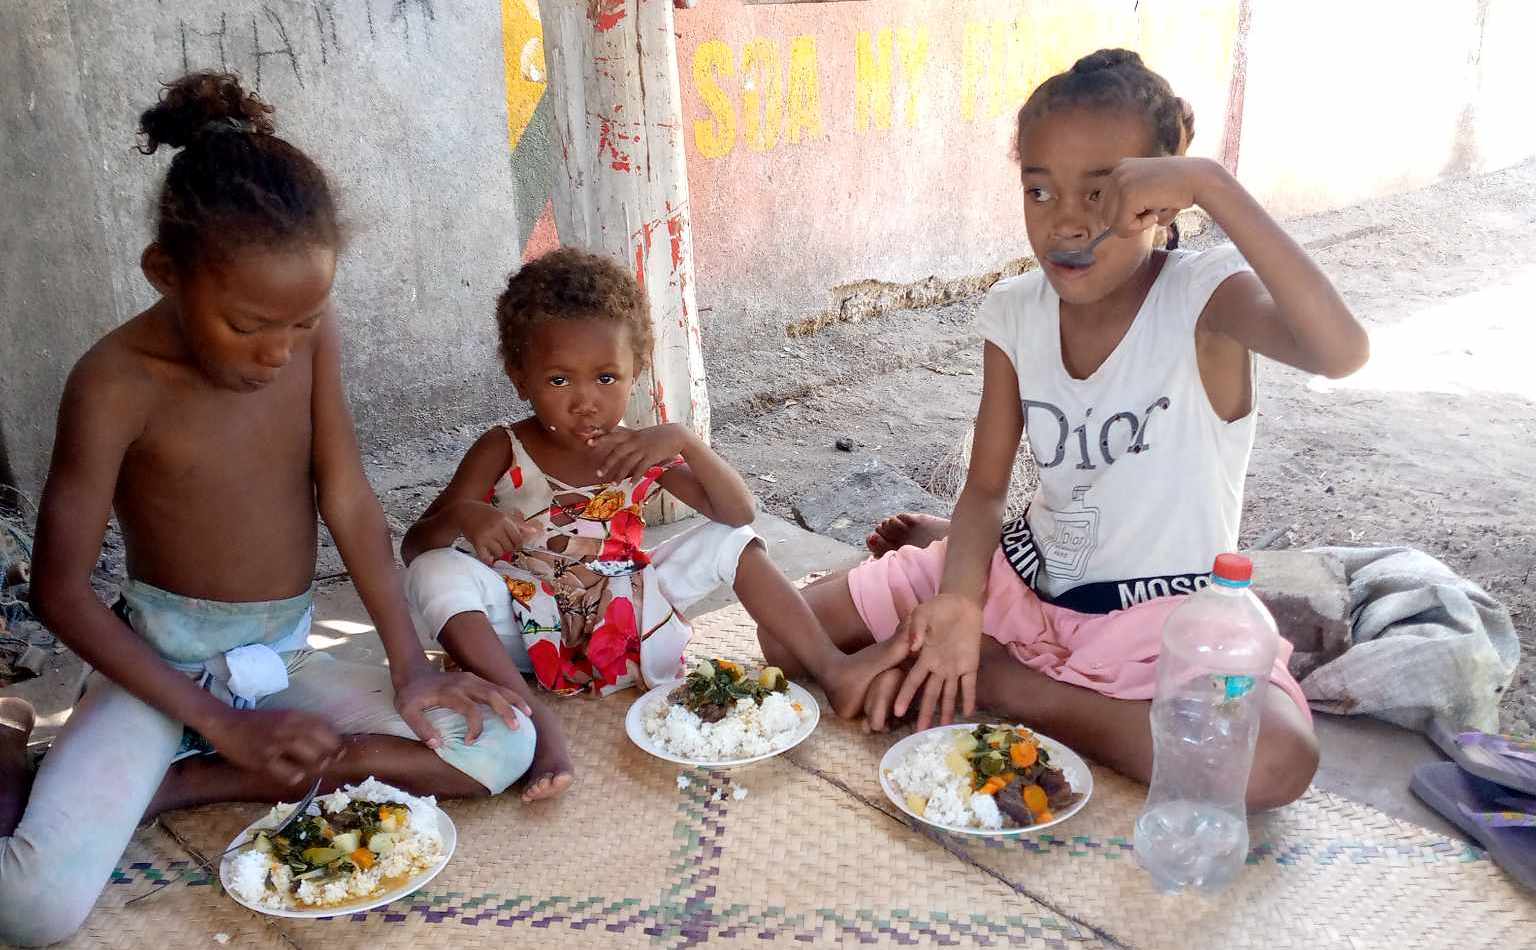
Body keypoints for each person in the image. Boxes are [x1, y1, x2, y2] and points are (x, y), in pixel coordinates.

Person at [0, 73, 537, 946]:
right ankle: (51, 743)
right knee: (31, 910)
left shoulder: (305, 338)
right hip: (163, 670)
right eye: (250, 324)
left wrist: (412, 667)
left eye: (302, 323)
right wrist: (213, 719)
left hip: (284, 659)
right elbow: (60, 592)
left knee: (500, 745)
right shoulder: (112, 384)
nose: (277, 352)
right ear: (165, 273)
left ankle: (192, 781)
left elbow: (350, 500)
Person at [758, 49, 1369, 811]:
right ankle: (962, 595)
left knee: (1271, 763)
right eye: (1039, 189)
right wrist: (957, 599)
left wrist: (1213, 181)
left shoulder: (1205, 302)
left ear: (1161, 199)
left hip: (1161, 616)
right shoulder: (1015, 312)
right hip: (1026, 575)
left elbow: (1341, 351)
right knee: (786, 637)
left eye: (1102, 192)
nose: (1068, 220)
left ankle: (1017, 686)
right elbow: (986, 486)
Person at [400, 248, 908, 784]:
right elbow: (417, 546)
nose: (586, 401)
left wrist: (684, 441)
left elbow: (736, 512)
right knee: (434, 571)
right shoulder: (500, 450)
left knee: (732, 540)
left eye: (606, 378)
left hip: (628, 615)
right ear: (519, 377)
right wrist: (465, 514)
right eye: (558, 381)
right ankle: (529, 715)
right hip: (527, 628)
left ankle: (833, 669)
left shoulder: (636, 446)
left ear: (636, 371)